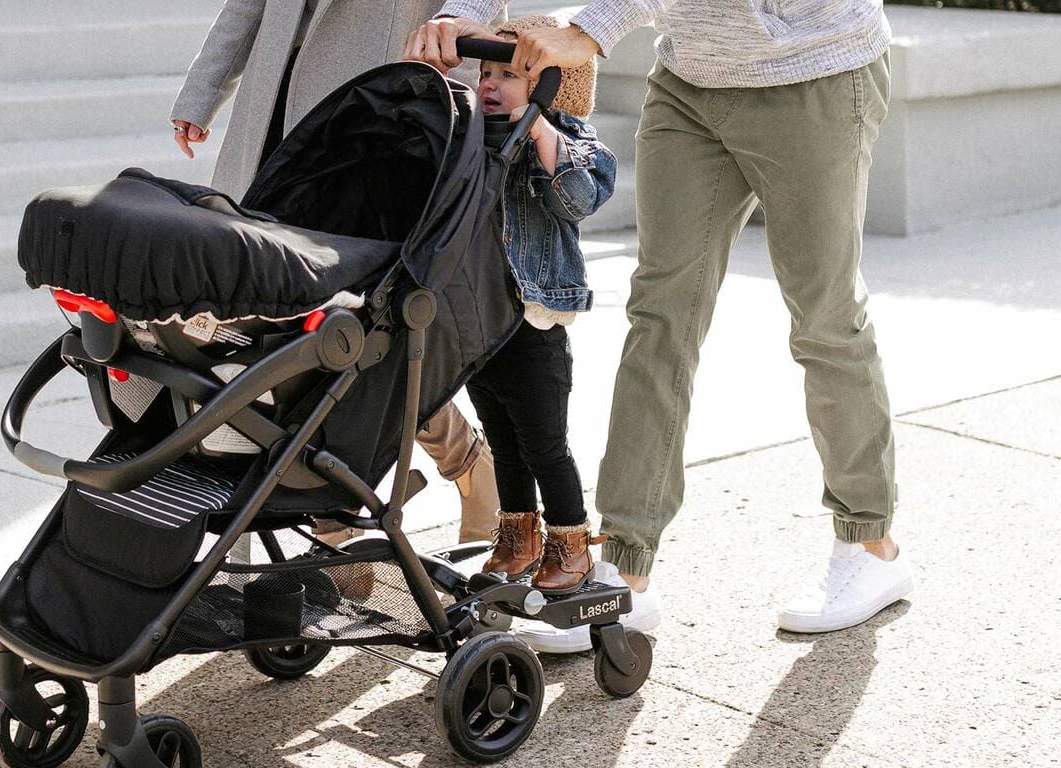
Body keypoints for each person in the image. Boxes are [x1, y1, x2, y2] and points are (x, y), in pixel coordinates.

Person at [409, 0, 915, 646]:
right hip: (692, 86)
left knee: (824, 316)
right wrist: (465, 14)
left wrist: (593, 28)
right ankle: (625, 570)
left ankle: (871, 547)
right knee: (660, 317)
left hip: (813, 70)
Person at [168, 1, 505, 544]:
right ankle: (404, 488)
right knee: (264, 330)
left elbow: (467, 13)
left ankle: (352, 516)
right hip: (276, 121)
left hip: (372, 125)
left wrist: (454, 113)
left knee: (354, 330)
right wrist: (203, 91)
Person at [460, 15, 616, 595]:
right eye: (486, 71)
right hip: (480, 323)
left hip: (533, 321)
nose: (491, 84)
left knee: (544, 443)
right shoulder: (472, 138)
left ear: (552, 86)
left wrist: (540, 129)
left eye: (511, 74)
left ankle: (571, 538)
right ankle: (517, 532)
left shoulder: (573, 145)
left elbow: (577, 199)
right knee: (501, 438)